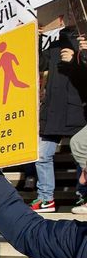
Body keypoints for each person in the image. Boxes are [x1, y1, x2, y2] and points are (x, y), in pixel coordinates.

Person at [31, 28, 87, 213]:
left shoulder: (83, 44)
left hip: (76, 109)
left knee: (82, 155)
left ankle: (84, 196)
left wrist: (78, 58)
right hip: (53, 110)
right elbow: (38, 63)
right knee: (42, 154)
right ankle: (46, 198)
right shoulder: (54, 45)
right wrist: (35, 38)